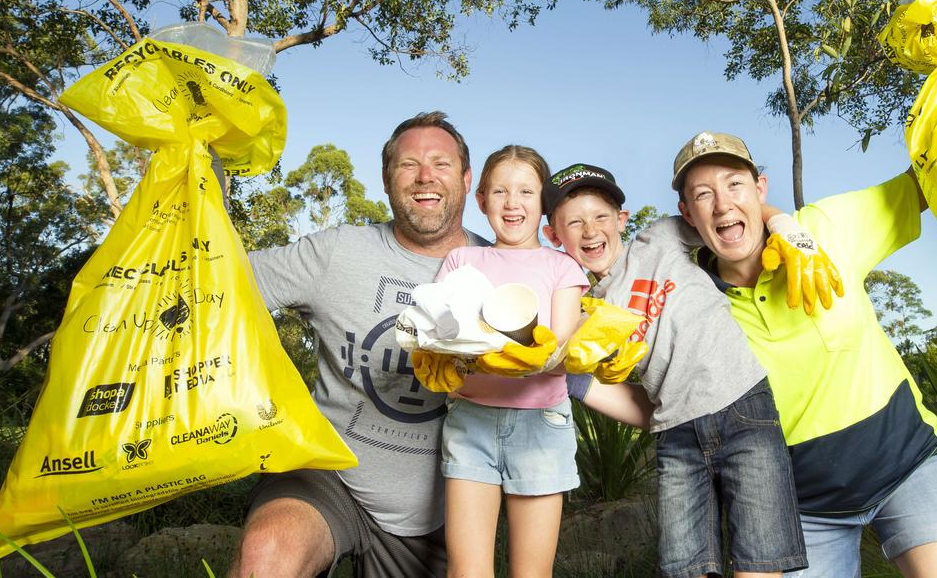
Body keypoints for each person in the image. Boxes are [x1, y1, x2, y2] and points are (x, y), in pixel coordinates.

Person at [671, 131, 937, 578]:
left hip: (909, 464)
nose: (722, 204)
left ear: (760, 188)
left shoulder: (825, 229)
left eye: (735, 185)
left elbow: (925, 182)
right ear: (687, 214)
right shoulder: (690, 302)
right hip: (803, 507)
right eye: (703, 195)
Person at [228, 112, 488, 578]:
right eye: (408, 164)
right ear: (386, 182)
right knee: (267, 553)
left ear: (467, 179)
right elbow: (219, 284)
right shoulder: (337, 253)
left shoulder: (500, 272)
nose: (425, 176)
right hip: (327, 476)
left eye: (441, 164)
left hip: (438, 512)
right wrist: (191, 176)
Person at [542, 163, 813, 578]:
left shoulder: (660, 240)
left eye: (600, 217)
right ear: (554, 236)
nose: (590, 231)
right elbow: (616, 390)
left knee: (759, 564)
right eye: (573, 223)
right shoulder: (585, 314)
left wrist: (785, 226)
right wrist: (565, 375)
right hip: (676, 436)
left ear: (622, 220)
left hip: (744, 408)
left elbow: (734, 214)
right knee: (686, 569)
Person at [426, 146, 587, 578]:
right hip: (471, 423)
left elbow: (563, 356)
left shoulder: (563, 268)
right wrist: (455, 358)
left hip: (541, 426)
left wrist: (506, 357)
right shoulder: (462, 262)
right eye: (499, 191)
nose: (512, 203)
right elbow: (440, 338)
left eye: (526, 192)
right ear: (481, 200)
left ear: (543, 204)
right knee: (466, 572)